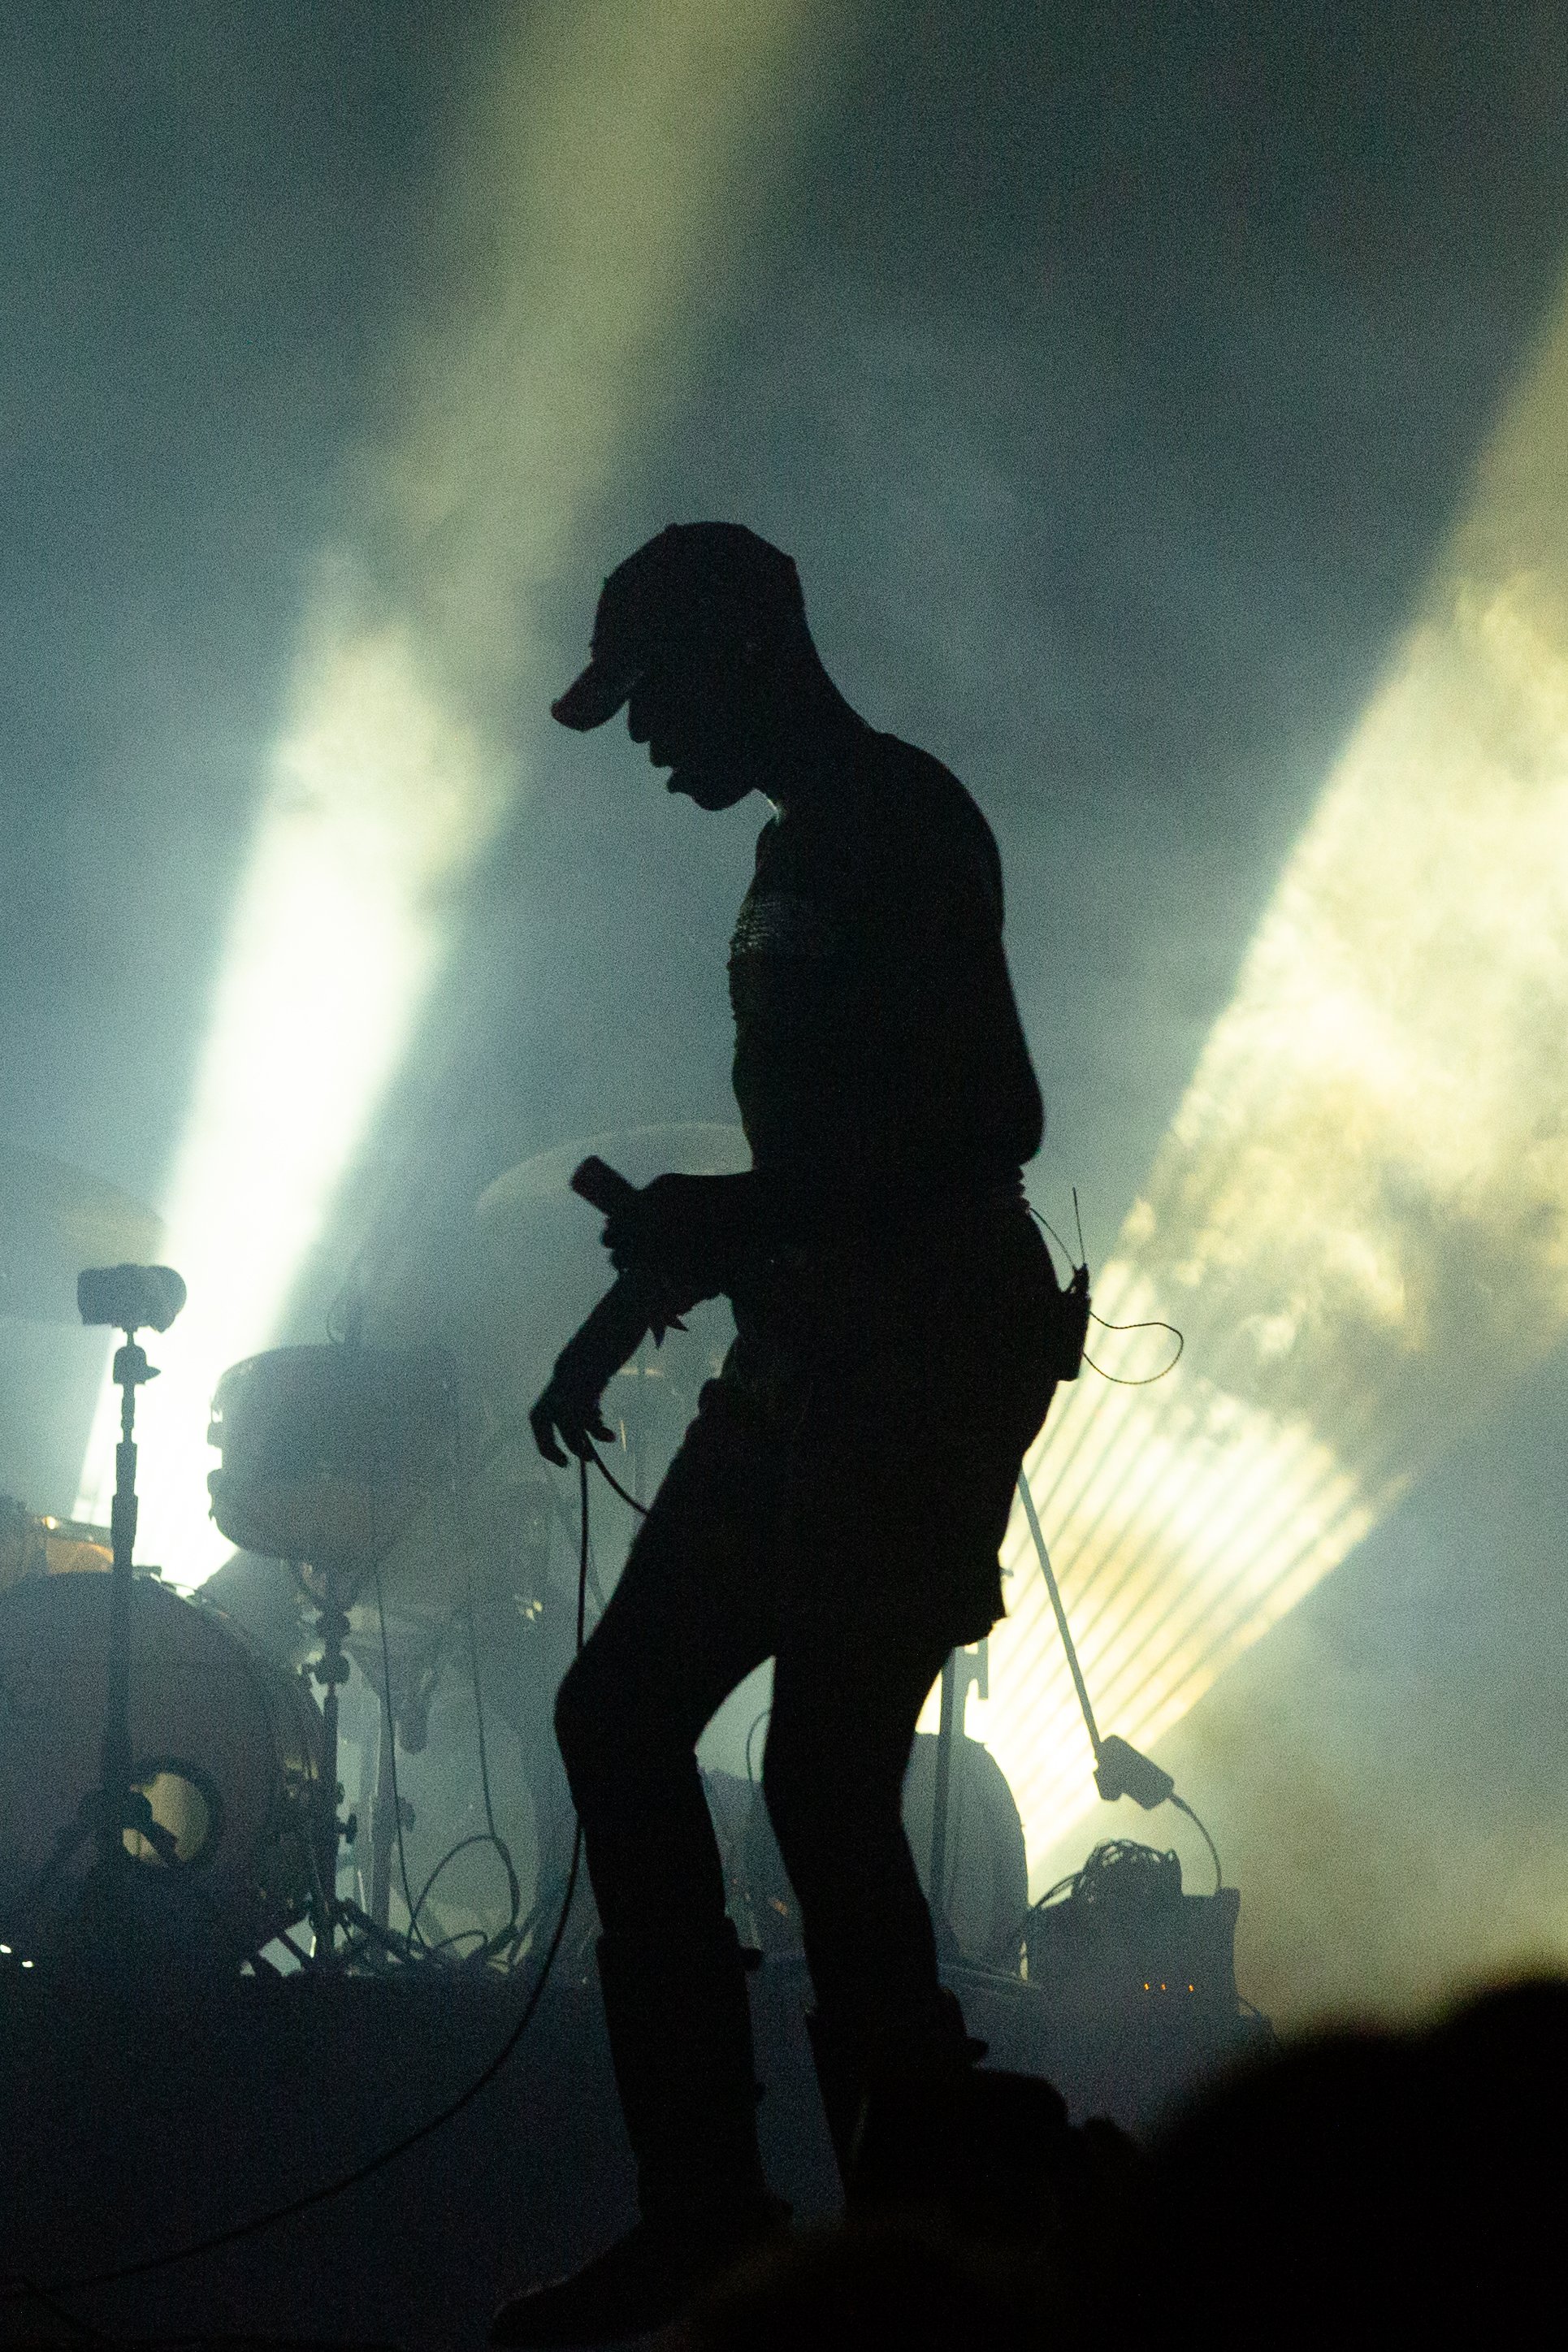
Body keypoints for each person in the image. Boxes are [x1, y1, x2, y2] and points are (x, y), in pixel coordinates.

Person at [492, 522, 1068, 2346]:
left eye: (656, 694)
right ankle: (741, 2217)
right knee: (640, 1718)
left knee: (819, 1774)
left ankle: (891, 2234)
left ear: (746, 652)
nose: (646, 740)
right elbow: (814, 1172)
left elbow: (992, 1122)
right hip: (813, 1360)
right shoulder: (788, 853)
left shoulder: (896, 820)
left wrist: (717, 1228)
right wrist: (649, 1285)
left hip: (919, 1369)